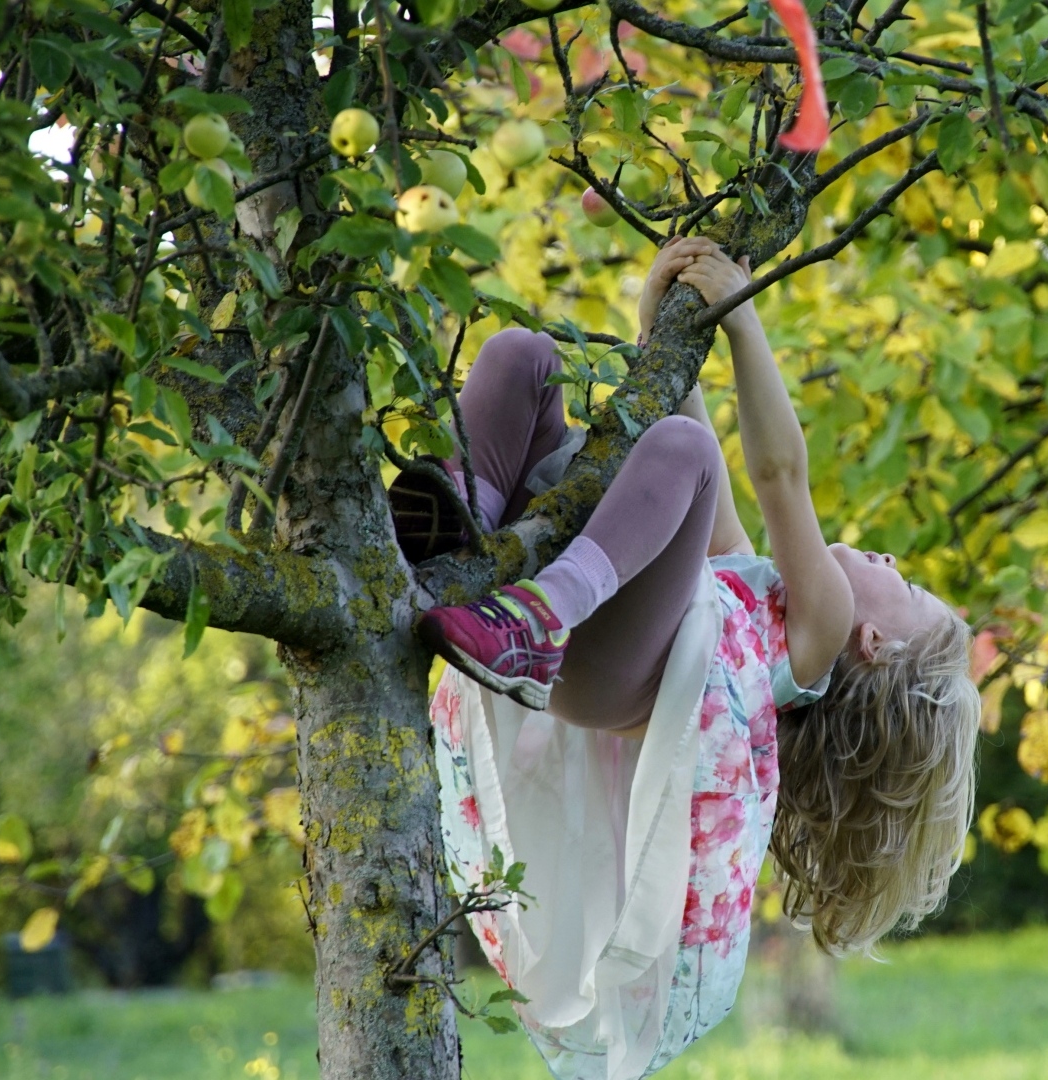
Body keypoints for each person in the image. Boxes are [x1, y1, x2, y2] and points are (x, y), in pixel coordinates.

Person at [397, 238, 979, 1079]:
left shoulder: (817, 632)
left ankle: (541, 613)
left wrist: (742, 322)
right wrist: (663, 337)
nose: (892, 563)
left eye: (910, 587)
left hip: (598, 665)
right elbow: (703, 479)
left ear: (876, 648)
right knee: (525, 357)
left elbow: (778, 475)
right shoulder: (758, 591)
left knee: (683, 455)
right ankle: (464, 522)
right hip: (596, 650)